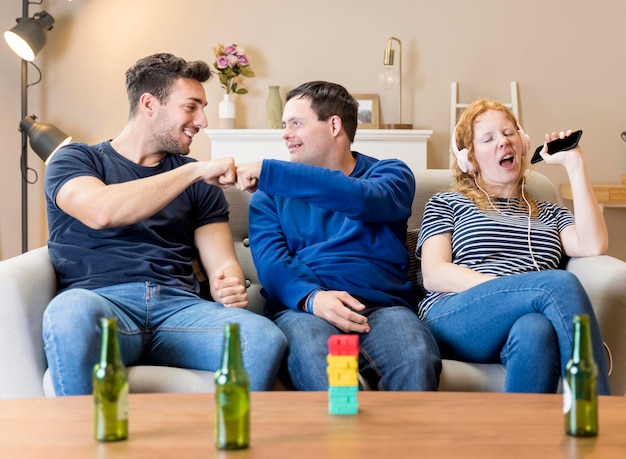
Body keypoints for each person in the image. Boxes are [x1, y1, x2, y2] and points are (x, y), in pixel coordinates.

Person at [42, 53, 287, 395]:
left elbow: (222, 263)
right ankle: (86, 444)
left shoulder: (202, 183)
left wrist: (226, 283)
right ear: (149, 104)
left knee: (262, 337)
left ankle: (226, 444)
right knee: (69, 311)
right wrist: (190, 171)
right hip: (103, 305)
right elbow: (101, 211)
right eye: (191, 107)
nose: (202, 120)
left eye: (203, 108)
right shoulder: (76, 159)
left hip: (180, 312)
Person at [235, 81, 441, 391]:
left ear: (334, 125)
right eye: (284, 125)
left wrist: (269, 170)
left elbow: (361, 199)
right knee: (333, 374)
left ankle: (404, 440)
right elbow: (272, 264)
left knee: (416, 356)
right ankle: (348, 440)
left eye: (296, 123)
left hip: (381, 311)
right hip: (306, 311)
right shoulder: (269, 195)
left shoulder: (390, 175)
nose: (285, 134)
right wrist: (314, 298)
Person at [416, 98, 611, 394]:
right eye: (488, 138)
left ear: (522, 143)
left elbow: (593, 244)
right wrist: (509, 290)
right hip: (457, 314)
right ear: (470, 159)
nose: (503, 143)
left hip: (526, 315)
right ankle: (602, 414)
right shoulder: (448, 203)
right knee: (559, 284)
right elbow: (434, 273)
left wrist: (574, 163)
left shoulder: (549, 212)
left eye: (509, 133)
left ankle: (520, 439)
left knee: (536, 331)